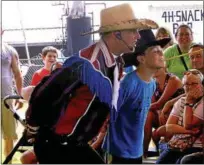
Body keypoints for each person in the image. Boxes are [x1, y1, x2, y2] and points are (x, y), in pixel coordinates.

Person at [25, 3, 158, 164]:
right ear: (117, 34)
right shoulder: (88, 64)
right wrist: (33, 127)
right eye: (133, 31)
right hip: (58, 144)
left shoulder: (116, 63)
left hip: (74, 144)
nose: (138, 36)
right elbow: (45, 91)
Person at [102, 29, 171, 164]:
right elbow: (107, 114)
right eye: (156, 51)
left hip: (135, 150)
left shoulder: (152, 84)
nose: (162, 54)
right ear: (141, 58)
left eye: (161, 50)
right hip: (117, 151)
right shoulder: (128, 83)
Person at [156, 69, 204, 164]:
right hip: (176, 144)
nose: (189, 87)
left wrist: (189, 102)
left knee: (182, 161)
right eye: (186, 84)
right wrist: (189, 131)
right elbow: (169, 127)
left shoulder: (202, 102)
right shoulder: (181, 101)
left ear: (201, 85)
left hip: (196, 146)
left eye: (194, 84)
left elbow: (188, 124)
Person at [144, 67, 183, 156]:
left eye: (158, 67)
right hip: (162, 114)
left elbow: (159, 103)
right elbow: (153, 104)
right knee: (148, 115)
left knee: (165, 113)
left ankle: (166, 150)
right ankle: (144, 151)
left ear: (164, 68)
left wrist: (138, 109)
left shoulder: (172, 79)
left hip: (177, 115)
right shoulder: (153, 82)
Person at [1, 30, 23, 163]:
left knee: (9, 135)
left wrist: (19, 95)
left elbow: (17, 74)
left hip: (6, 99)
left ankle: (7, 161)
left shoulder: (9, 50)